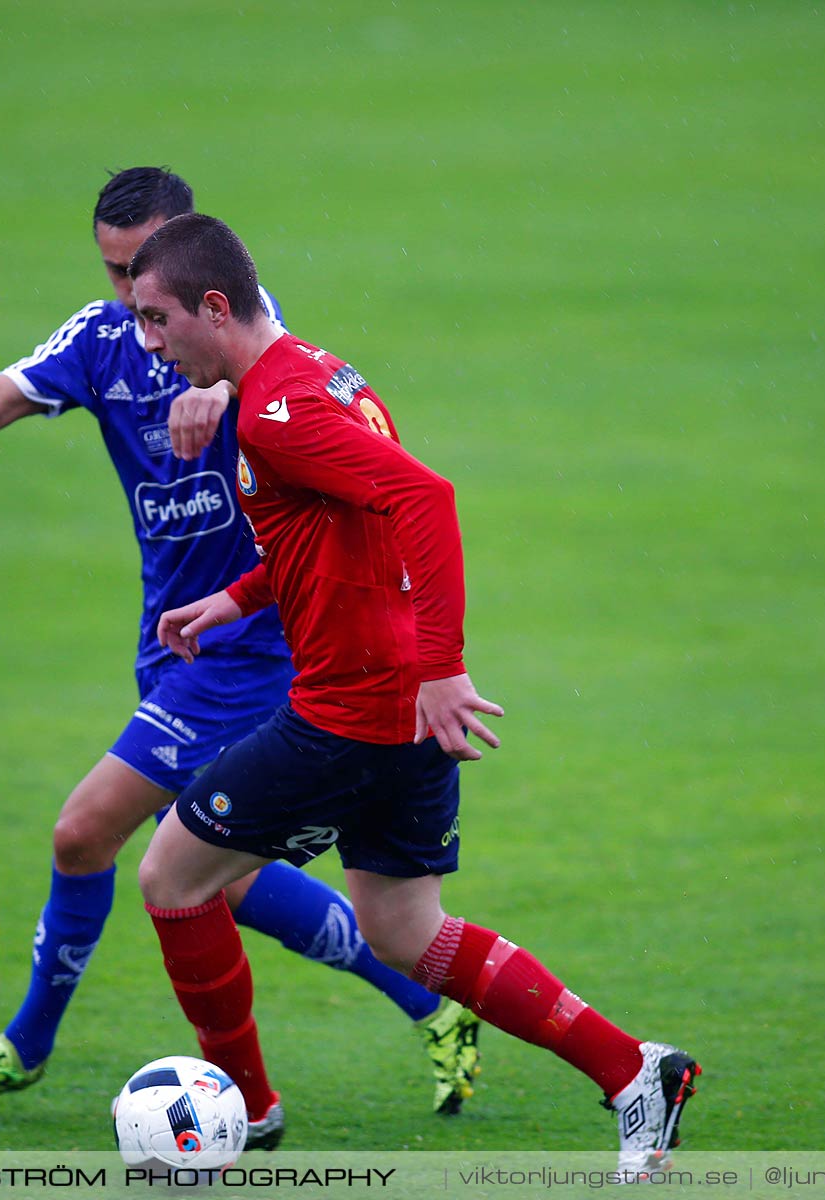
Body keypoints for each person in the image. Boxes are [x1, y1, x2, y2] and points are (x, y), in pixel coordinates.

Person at [0, 167, 481, 1116]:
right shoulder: (106, 336)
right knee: (214, 877)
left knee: (91, 834)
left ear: (192, 264)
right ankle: (428, 1002)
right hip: (185, 639)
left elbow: (310, 418)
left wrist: (223, 400)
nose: (129, 299)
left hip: (261, 652)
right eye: (115, 273)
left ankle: (53, 1051)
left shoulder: (236, 337)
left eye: (143, 278)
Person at [127, 214, 700, 1170]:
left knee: (171, 878)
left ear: (213, 307)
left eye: (155, 319)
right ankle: (636, 1070)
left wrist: (444, 665)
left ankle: (250, 1114)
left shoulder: (279, 410)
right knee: (404, 928)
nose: (150, 342)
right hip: (396, 712)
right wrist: (233, 598)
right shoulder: (317, 370)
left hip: (354, 711)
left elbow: (423, 500)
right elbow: (337, 534)